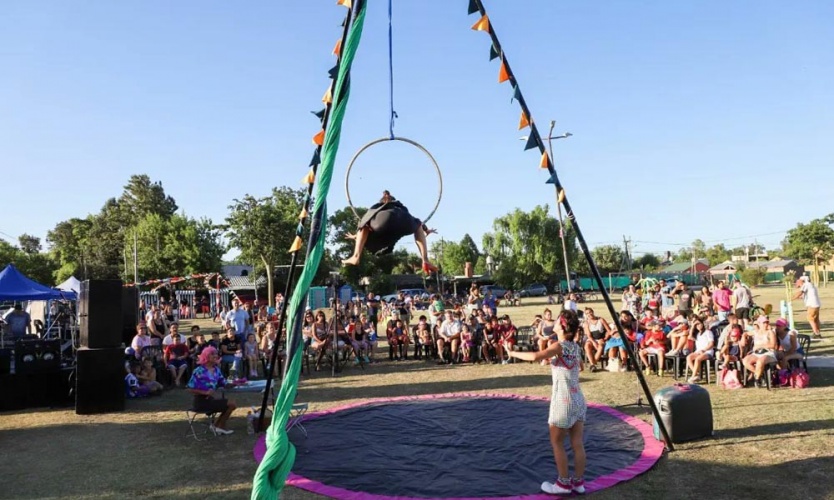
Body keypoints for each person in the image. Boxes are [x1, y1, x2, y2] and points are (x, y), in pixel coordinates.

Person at [507, 310, 587, 495]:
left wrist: (511, 352)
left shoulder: (559, 346)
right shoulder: (575, 347)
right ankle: (578, 483)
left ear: (563, 326)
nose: (555, 324)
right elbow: (580, 366)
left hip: (563, 400)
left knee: (557, 442)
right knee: (577, 443)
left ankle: (563, 484)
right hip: (578, 398)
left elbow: (535, 356)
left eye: (558, 321)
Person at [341, 190, 438, 274]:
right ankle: (425, 259)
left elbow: (365, 223)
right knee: (418, 226)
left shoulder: (378, 207)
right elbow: (418, 222)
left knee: (364, 224)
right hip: (404, 220)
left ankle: (356, 256)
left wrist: (357, 234)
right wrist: (425, 229)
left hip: (384, 220)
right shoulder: (401, 207)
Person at [187, 347, 236, 435]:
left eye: (216, 354)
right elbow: (190, 388)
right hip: (201, 401)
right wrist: (205, 392)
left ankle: (217, 425)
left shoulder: (217, 370)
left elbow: (224, 384)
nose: (215, 356)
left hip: (211, 400)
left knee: (231, 404)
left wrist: (237, 383)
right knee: (231, 403)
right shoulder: (199, 371)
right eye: (212, 354)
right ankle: (219, 426)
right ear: (206, 356)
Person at [742, 316, 778, 388]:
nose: (766, 324)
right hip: (757, 353)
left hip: (768, 353)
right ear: (759, 324)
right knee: (745, 361)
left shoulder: (770, 332)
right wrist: (743, 337)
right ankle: (761, 375)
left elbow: (773, 345)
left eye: (767, 322)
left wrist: (761, 346)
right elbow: (745, 333)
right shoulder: (756, 332)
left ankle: (757, 379)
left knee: (760, 362)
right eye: (764, 323)